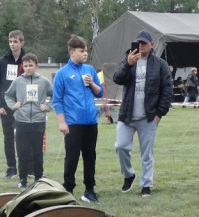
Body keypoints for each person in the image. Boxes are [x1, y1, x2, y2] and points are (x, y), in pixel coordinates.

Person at [112, 30, 173, 197]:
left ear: (152, 45)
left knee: (147, 154)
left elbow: (167, 90)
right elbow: (117, 78)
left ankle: (146, 185)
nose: (141, 45)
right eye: (139, 42)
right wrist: (128, 64)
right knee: (121, 146)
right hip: (127, 115)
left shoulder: (160, 64)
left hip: (148, 116)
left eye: (144, 43)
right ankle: (129, 175)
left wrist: (159, 114)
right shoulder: (128, 59)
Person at [52, 34, 104, 203]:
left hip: (90, 121)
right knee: (72, 156)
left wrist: (93, 84)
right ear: (72, 52)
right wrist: (62, 122)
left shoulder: (89, 70)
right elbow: (57, 100)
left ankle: (90, 190)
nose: (85, 54)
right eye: (82, 51)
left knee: (90, 156)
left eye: (86, 51)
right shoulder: (62, 73)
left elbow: (100, 92)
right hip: (73, 123)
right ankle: (68, 190)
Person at [5, 53, 53, 189]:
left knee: (38, 153)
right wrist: (14, 106)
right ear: (22, 67)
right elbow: (8, 95)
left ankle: (39, 179)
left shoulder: (43, 81)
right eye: (25, 66)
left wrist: (47, 106)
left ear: (36, 66)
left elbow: (55, 95)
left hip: (38, 121)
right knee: (22, 152)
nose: (28, 68)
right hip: (21, 121)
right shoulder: (17, 81)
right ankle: (22, 179)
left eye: (31, 65)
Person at [0, 30, 26, 179]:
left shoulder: (28, 60)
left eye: (15, 41)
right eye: (10, 41)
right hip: (6, 106)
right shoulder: (1, 62)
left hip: (24, 106)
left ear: (21, 43)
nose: (12, 44)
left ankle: (28, 167)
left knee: (25, 136)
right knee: (9, 138)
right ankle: (11, 167)